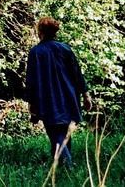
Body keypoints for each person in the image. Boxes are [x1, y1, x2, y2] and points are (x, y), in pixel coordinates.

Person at [25, 17, 92, 168]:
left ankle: (69, 167)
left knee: (56, 135)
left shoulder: (36, 52)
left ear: (40, 31)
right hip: (69, 98)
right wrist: (86, 96)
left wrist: (31, 103)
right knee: (63, 134)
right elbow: (77, 75)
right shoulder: (65, 49)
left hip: (48, 100)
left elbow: (31, 80)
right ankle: (59, 167)